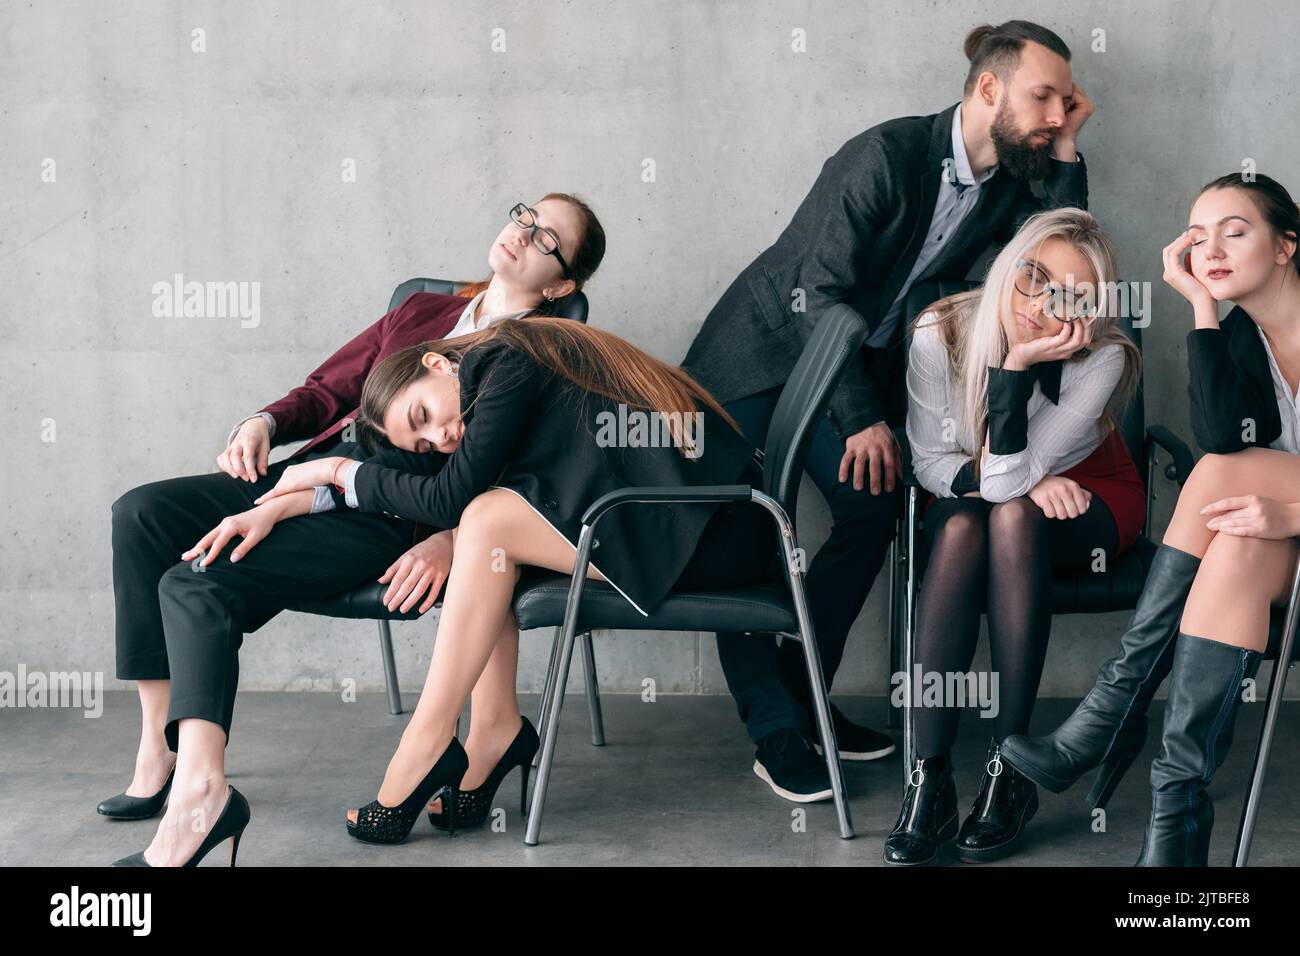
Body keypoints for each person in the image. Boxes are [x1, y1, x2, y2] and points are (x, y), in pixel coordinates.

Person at [148, 317, 777, 856]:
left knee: (485, 521)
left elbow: (449, 495)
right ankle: (494, 731)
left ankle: (429, 742)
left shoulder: (507, 361)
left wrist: (338, 468)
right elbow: (422, 487)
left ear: (436, 363)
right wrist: (284, 502)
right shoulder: (487, 381)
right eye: (422, 439)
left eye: (424, 416)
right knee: (486, 536)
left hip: (717, 525)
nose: (438, 438)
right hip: (660, 518)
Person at [104, 193, 606, 866]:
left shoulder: (536, 352)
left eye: (546, 238)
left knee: (199, 580)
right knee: (141, 514)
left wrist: (455, 539)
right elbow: (332, 388)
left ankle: (203, 792)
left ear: (562, 284)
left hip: (388, 512)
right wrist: (267, 422)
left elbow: (528, 479)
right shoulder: (423, 313)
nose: (524, 233)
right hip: (312, 472)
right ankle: (159, 750)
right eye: (525, 217)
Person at [681, 19, 1094, 802]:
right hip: (760, 358)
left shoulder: (1009, 185)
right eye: (1044, 97)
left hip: (850, 367)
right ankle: (777, 729)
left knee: (870, 509)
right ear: (987, 89)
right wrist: (863, 413)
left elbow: (1063, 247)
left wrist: (1066, 146)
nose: (1053, 111)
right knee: (744, 522)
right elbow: (818, 290)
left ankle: (804, 703)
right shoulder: (885, 153)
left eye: (1064, 101)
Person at [1000, 173, 1300, 866]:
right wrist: (1199, 306)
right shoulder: (1238, 338)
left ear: (1287, 245)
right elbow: (1225, 434)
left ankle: (1109, 715)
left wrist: (1288, 510)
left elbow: (1223, 463)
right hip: (1280, 553)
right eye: (1199, 237)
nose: (1212, 248)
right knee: (1231, 548)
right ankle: (1175, 824)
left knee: (1218, 478)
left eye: (1236, 230)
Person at [885, 209, 1142, 865]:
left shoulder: (1102, 356)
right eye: (1033, 276)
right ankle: (929, 776)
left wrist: (1021, 363)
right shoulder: (937, 331)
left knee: (1009, 515)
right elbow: (929, 466)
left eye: (1069, 295)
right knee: (975, 522)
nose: (1042, 303)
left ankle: (1010, 771)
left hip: (1090, 496)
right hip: (990, 499)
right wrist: (1017, 482)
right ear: (1008, 265)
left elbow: (1007, 483)